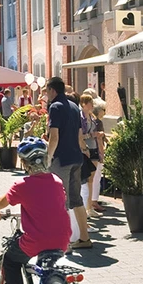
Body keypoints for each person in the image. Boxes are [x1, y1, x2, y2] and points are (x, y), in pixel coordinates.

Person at [0, 137, 71, 284]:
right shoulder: (56, 180)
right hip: (63, 237)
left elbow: (4, 201)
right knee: (48, 265)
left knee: (11, 259)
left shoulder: (22, 185)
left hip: (37, 240)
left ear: (24, 163)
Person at [45, 76, 90, 249]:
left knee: (59, 200)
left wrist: (48, 158)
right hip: (76, 158)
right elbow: (80, 136)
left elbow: (54, 137)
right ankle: (85, 238)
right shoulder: (73, 106)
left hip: (61, 160)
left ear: (52, 90)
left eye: (47, 91)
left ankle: (62, 242)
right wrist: (84, 150)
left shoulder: (55, 107)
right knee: (76, 199)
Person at [87, 100, 109, 212]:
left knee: (93, 177)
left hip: (91, 149)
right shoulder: (97, 122)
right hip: (96, 150)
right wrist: (102, 152)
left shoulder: (91, 121)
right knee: (96, 176)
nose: (105, 112)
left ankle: (91, 201)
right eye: (103, 110)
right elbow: (99, 138)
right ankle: (93, 201)